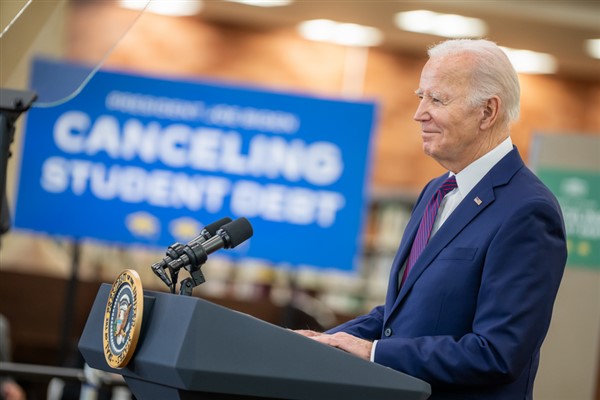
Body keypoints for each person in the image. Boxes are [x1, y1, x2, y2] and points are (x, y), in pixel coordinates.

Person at [296, 39, 567, 399]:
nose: (419, 112)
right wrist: (323, 342)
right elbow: (403, 315)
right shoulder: (436, 191)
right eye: (420, 96)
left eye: (437, 99)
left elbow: (498, 353)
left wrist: (375, 352)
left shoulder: (528, 211)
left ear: (487, 112)